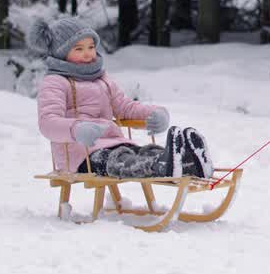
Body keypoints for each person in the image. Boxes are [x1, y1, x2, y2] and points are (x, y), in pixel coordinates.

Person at [30, 16, 214, 179]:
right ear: (62, 53)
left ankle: (188, 163)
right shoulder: (55, 82)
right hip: (79, 153)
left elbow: (125, 107)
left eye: (91, 47)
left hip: (114, 143)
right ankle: (161, 166)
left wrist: (155, 113)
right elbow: (48, 122)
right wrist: (75, 129)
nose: (88, 53)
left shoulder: (101, 79)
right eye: (79, 49)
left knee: (142, 152)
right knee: (120, 160)